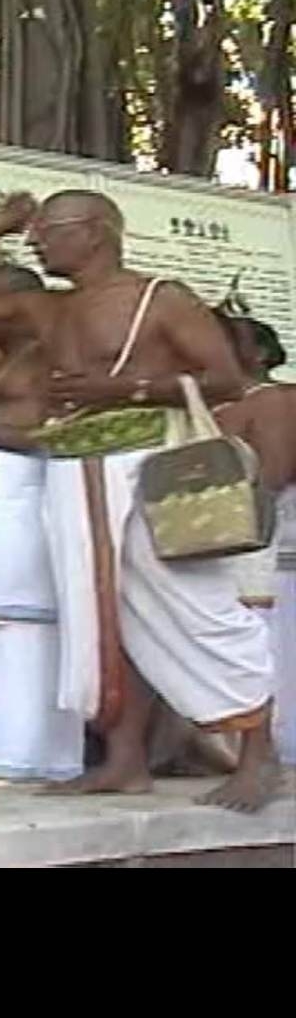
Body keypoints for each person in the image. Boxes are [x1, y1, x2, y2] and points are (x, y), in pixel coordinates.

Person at [0, 191, 276, 812]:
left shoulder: (161, 298)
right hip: (71, 469)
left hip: (147, 464)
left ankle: (257, 755)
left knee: (195, 606)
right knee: (102, 617)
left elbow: (225, 379)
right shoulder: (40, 307)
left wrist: (125, 388)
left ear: (97, 231)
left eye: (49, 230)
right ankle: (124, 760)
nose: (35, 242)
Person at [0, 263, 85, 783]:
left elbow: (55, 432)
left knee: (27, 624)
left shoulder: (49, 355)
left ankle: (30, 755)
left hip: (30, 489)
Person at [213, 318, 296, 768]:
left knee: (262, 646)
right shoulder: (213, 403)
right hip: (216, 539)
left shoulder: (274, 400)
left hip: (257, 541)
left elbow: (273, 476)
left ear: (260, 353)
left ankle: (259, 751)